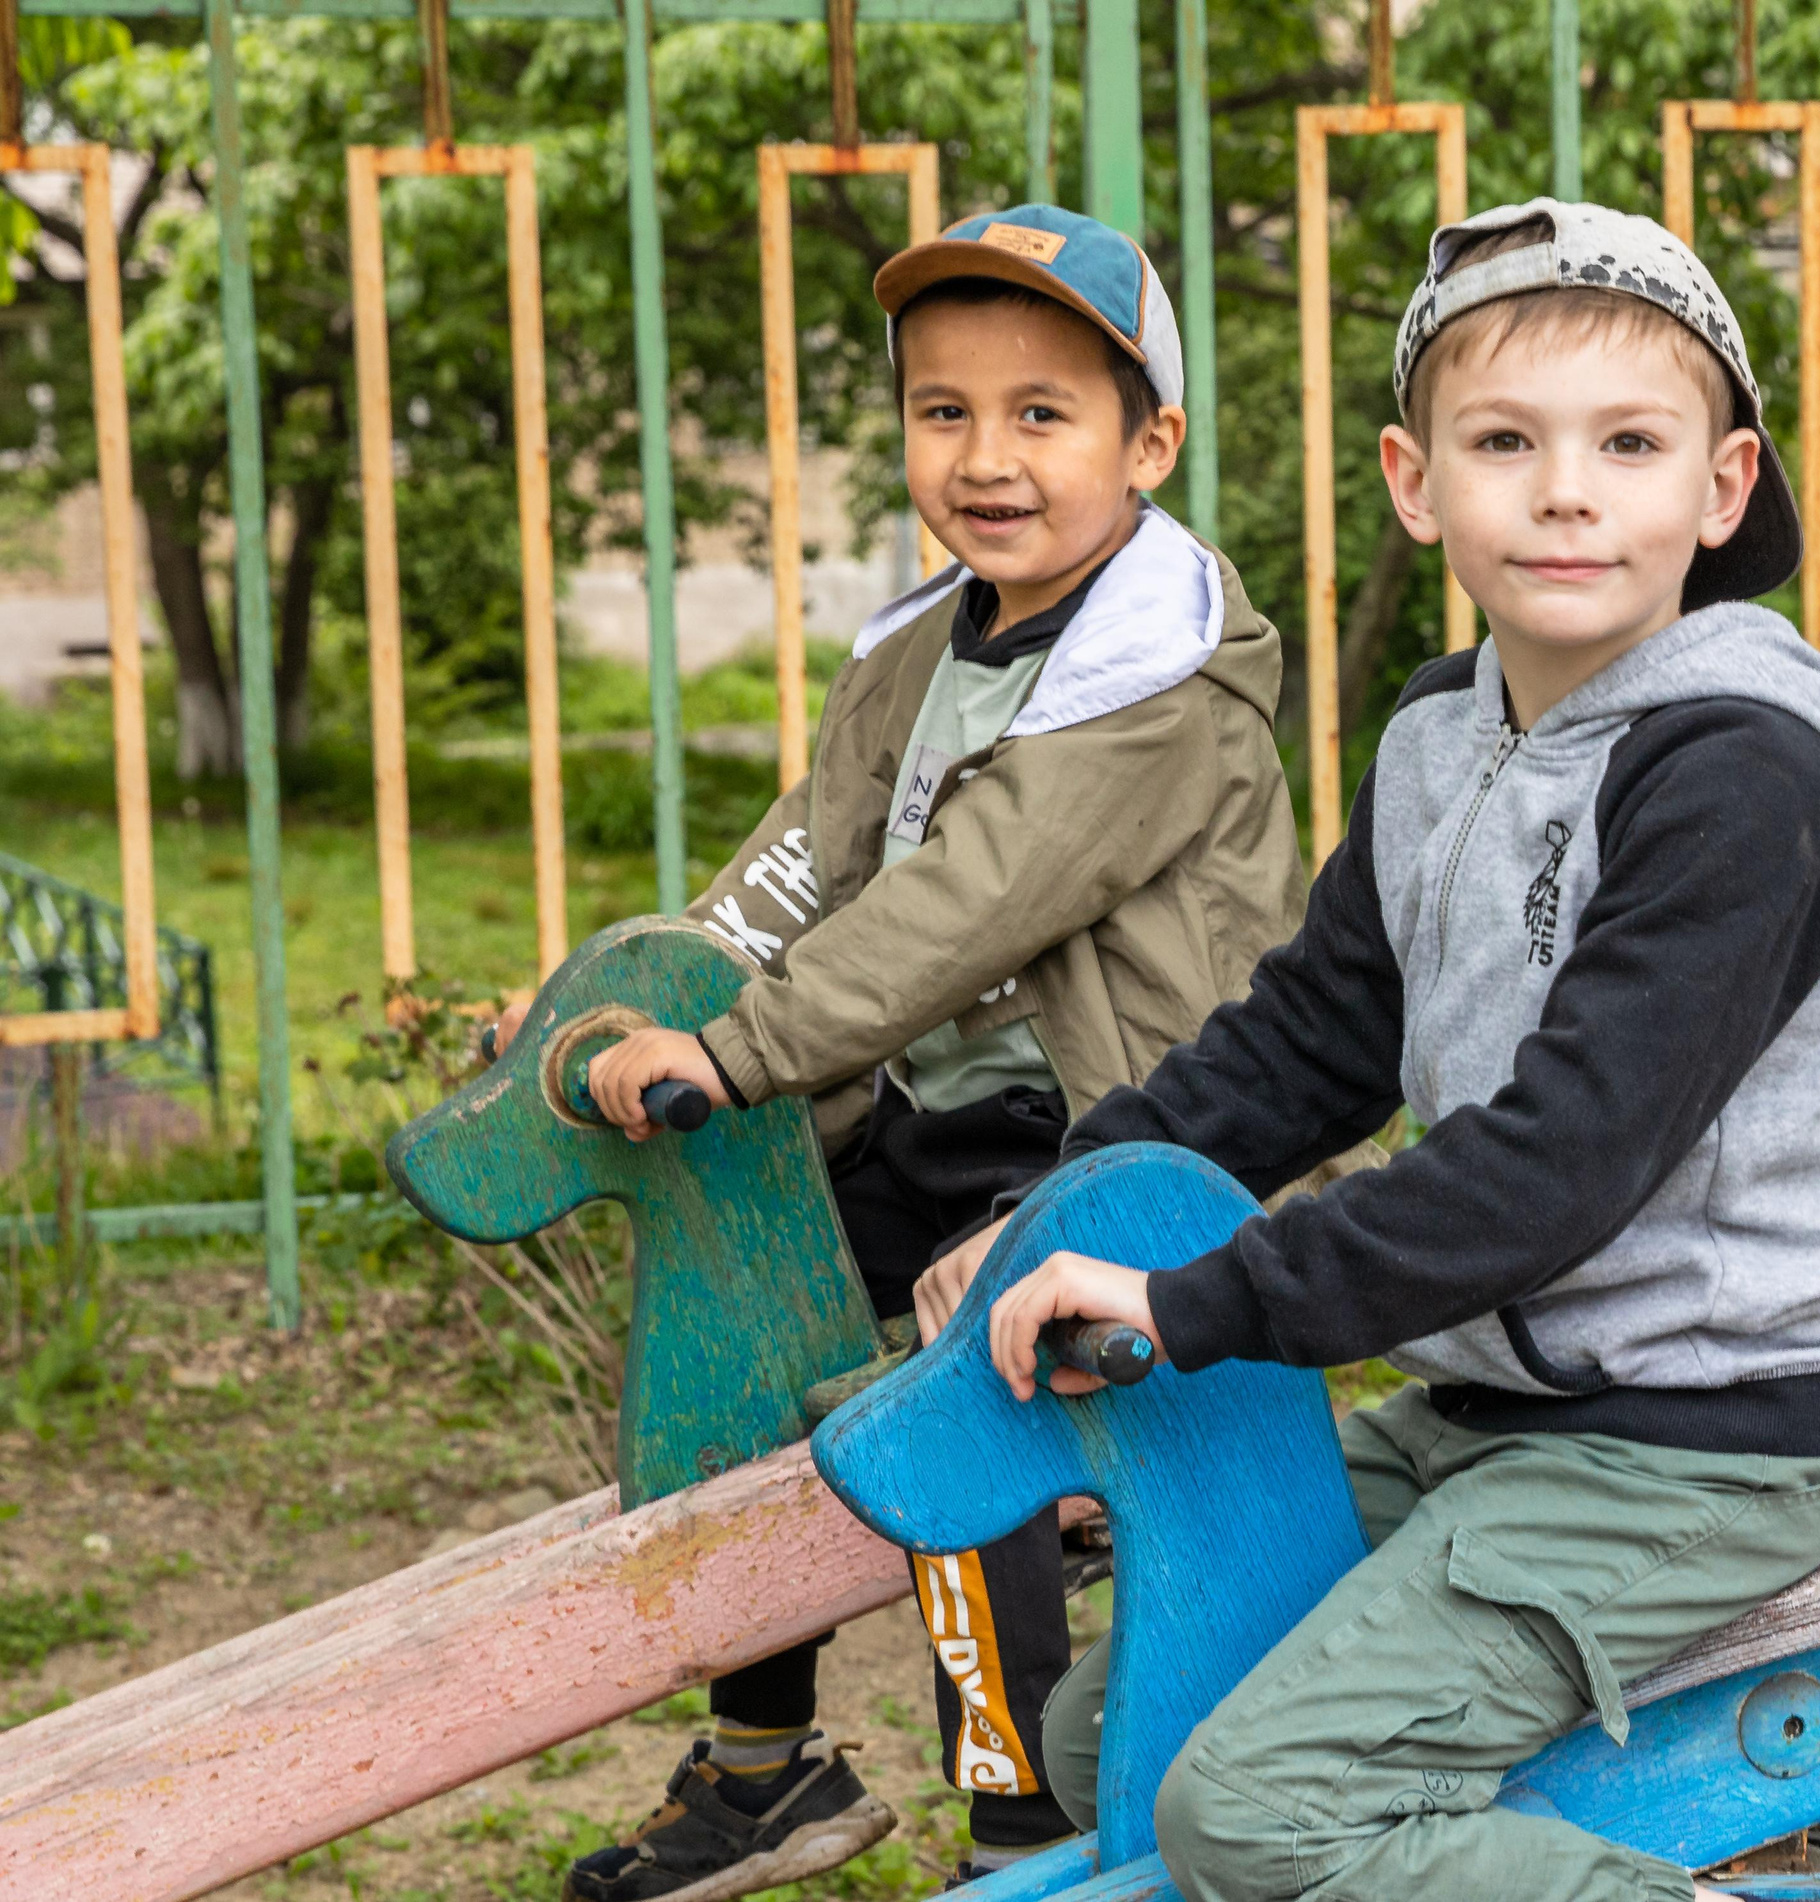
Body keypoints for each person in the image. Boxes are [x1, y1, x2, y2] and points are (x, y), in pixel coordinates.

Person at [923, 199, 1820, 1902]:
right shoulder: (1449, 735)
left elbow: (1556, 1166)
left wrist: (1197, 1298)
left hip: (1698, 1439)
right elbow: (1310, 1039)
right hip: (1492, 1413)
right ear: (1414, 478)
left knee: (1254, 1812)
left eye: (1630, 443)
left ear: (1723, 485)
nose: (1567, 490)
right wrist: (1061, 1209)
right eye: (1505, 441)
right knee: (1109, 1739)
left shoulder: (1746, 774)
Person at [497, 204, 1308, 1902]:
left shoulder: (1160, 677)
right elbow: (809, 858)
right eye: (945, 410)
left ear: (1150, 443)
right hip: (937, 1114)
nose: (985, 457)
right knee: (747, 1304)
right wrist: (647, 998)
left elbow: (962, 903)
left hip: (1117, 1131)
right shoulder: (924, 647)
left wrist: (743, 1045)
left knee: (967, 1359)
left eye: (1041, 413)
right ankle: (763, 1765)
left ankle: (1025, 1822)